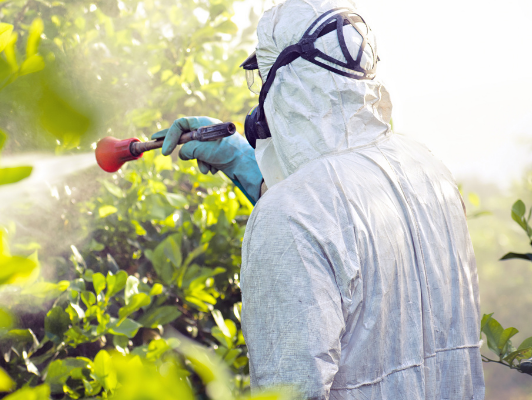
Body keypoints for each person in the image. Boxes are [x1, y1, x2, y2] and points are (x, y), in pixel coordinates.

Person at [152, 0, 485, 398]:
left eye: (263, 77)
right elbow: (342, 221)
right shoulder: (428, 170)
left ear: (287, 81)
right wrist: (242, 161)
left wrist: (274, 201)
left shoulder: (291, 216)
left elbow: (291, 390)